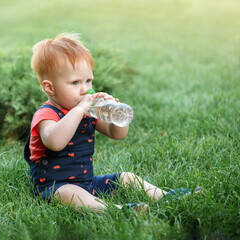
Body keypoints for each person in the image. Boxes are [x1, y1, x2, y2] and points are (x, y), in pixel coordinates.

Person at [24, 33, 200, 213]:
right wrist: (78, 111)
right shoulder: (46, 115)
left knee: (127, 178)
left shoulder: (87, 110)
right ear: (49, 87)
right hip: (55, 187)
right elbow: (55, 142)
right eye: (75, 82)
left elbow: (117, 134)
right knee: (72, 195)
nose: (85, 89)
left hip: (87, 182)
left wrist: (116, 114)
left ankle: (167, 196)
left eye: (88, 80)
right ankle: (120, 210)